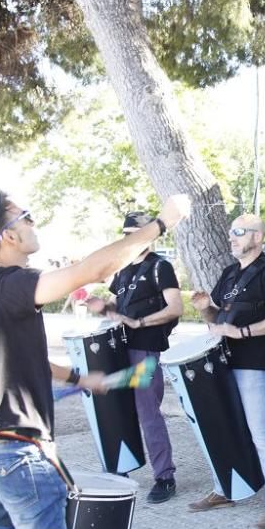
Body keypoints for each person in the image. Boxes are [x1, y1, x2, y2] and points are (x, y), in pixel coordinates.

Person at [0, 191, 189, 529]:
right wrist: (161, 223)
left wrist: (79, 379)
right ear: (8, 235)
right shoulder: (12, 284)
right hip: (16, 450)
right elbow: (96, 271)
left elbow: (14, 358)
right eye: (26, 217)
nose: (33, 223)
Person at [189, 214, 265, 529]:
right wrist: (206, 308)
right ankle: (228, 488)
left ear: (258, 237)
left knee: (261, 433)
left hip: (253, 364)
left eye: (238, 232)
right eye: (230, 232)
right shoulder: (230, 272)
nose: (231, 238)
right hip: (224, 362)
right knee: (225, 428)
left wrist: (245, 332)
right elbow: (220, 318)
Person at [87, 212, 184, 504]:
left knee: (148, 413)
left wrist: (139, 324)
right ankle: (121, 468)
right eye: (127, 232)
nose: (130, 237)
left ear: (150, 234)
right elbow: (116, 308)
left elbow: (176, 307)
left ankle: (165, 476)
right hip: (119, 350)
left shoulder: (161, 266)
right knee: (119, 411)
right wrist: (102, 307)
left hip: (146, 350)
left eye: (135, 232)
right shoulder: (124, 270)